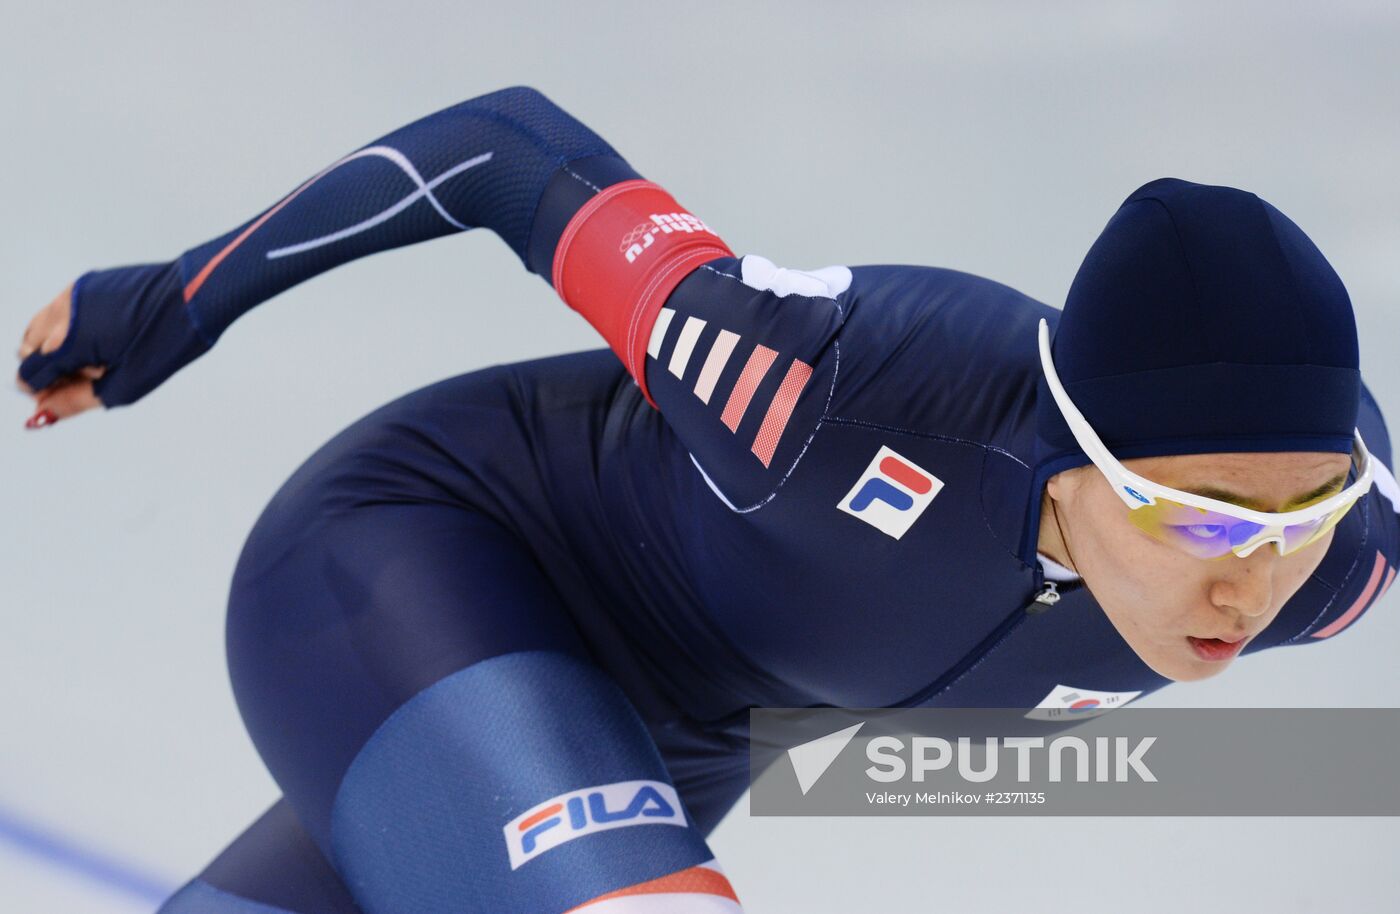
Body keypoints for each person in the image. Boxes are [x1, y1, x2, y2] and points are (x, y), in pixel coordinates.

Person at [15, 86, 1399, 913]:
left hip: (675, 723)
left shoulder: (1338, 565)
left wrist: (1292, 526)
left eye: (1302, 518)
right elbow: (505, 145)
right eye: (1209, 517)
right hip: (426, 551)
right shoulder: (821, 384)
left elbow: (1300, 537)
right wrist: (178, 299)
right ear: (1082, 449)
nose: (1252, 583)